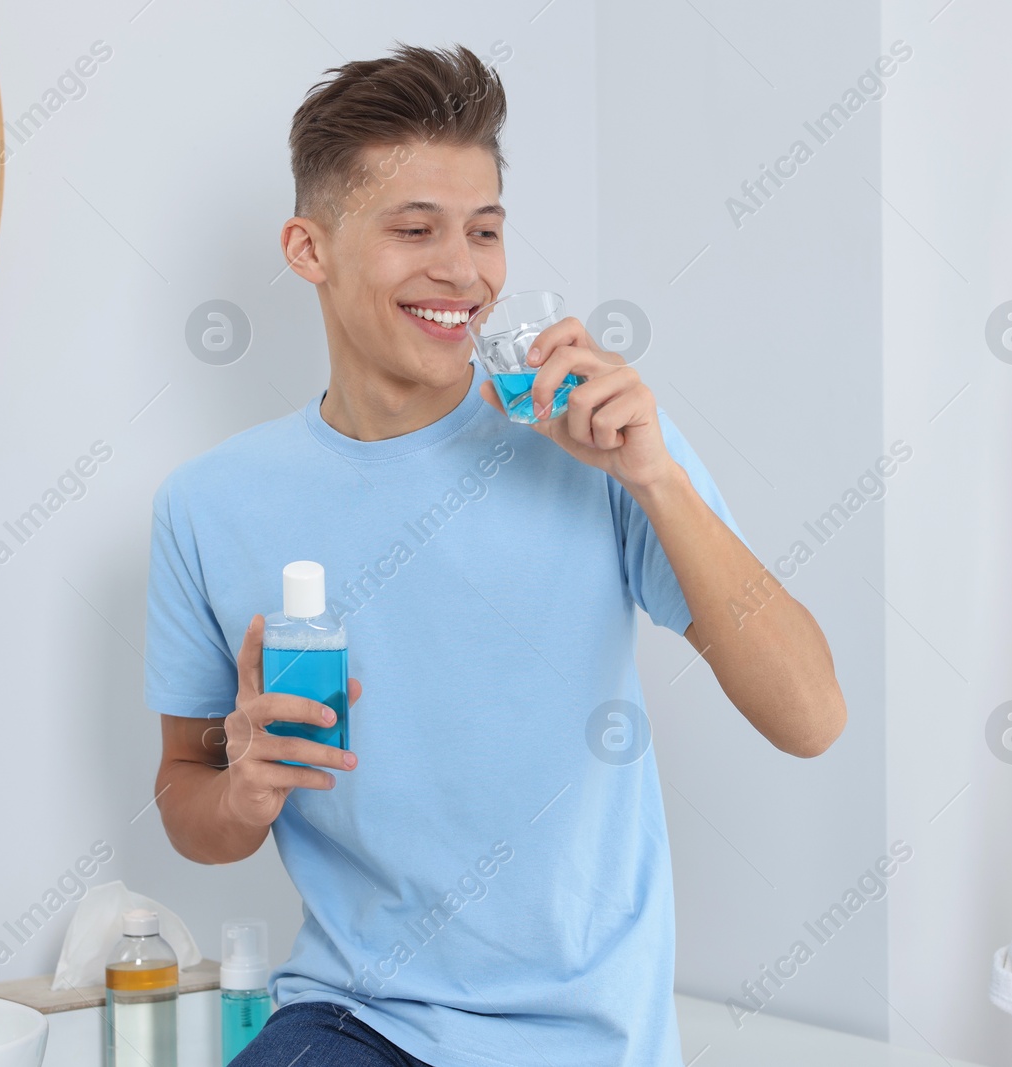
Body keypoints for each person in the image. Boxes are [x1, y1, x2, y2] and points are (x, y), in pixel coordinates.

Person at [146, 44, 847, 1067]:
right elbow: (186, 797)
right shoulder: (208, 506)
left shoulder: (602, 448)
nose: (462, 271)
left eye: (483, 230)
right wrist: (244, 784)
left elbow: (810, 715)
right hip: (354, 1016)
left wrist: (656, 477)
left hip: (585, 1040)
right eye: (414, 229)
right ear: (309, 247)